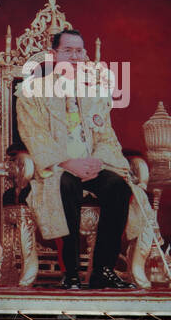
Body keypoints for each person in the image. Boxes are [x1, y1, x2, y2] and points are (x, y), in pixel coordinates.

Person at [15, 27, 149, 290]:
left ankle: (103, 270)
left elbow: (106, 136)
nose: (75, 57)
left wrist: (97, 161)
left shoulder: (95, 93)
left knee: (119, 187)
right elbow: (34, 135)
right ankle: (71, 273)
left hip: (92, 166)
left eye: (79, 51)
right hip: (54, 168)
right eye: (68, 51)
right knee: (66, 186)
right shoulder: (32, 91)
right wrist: (68, 163)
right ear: (54, 55)